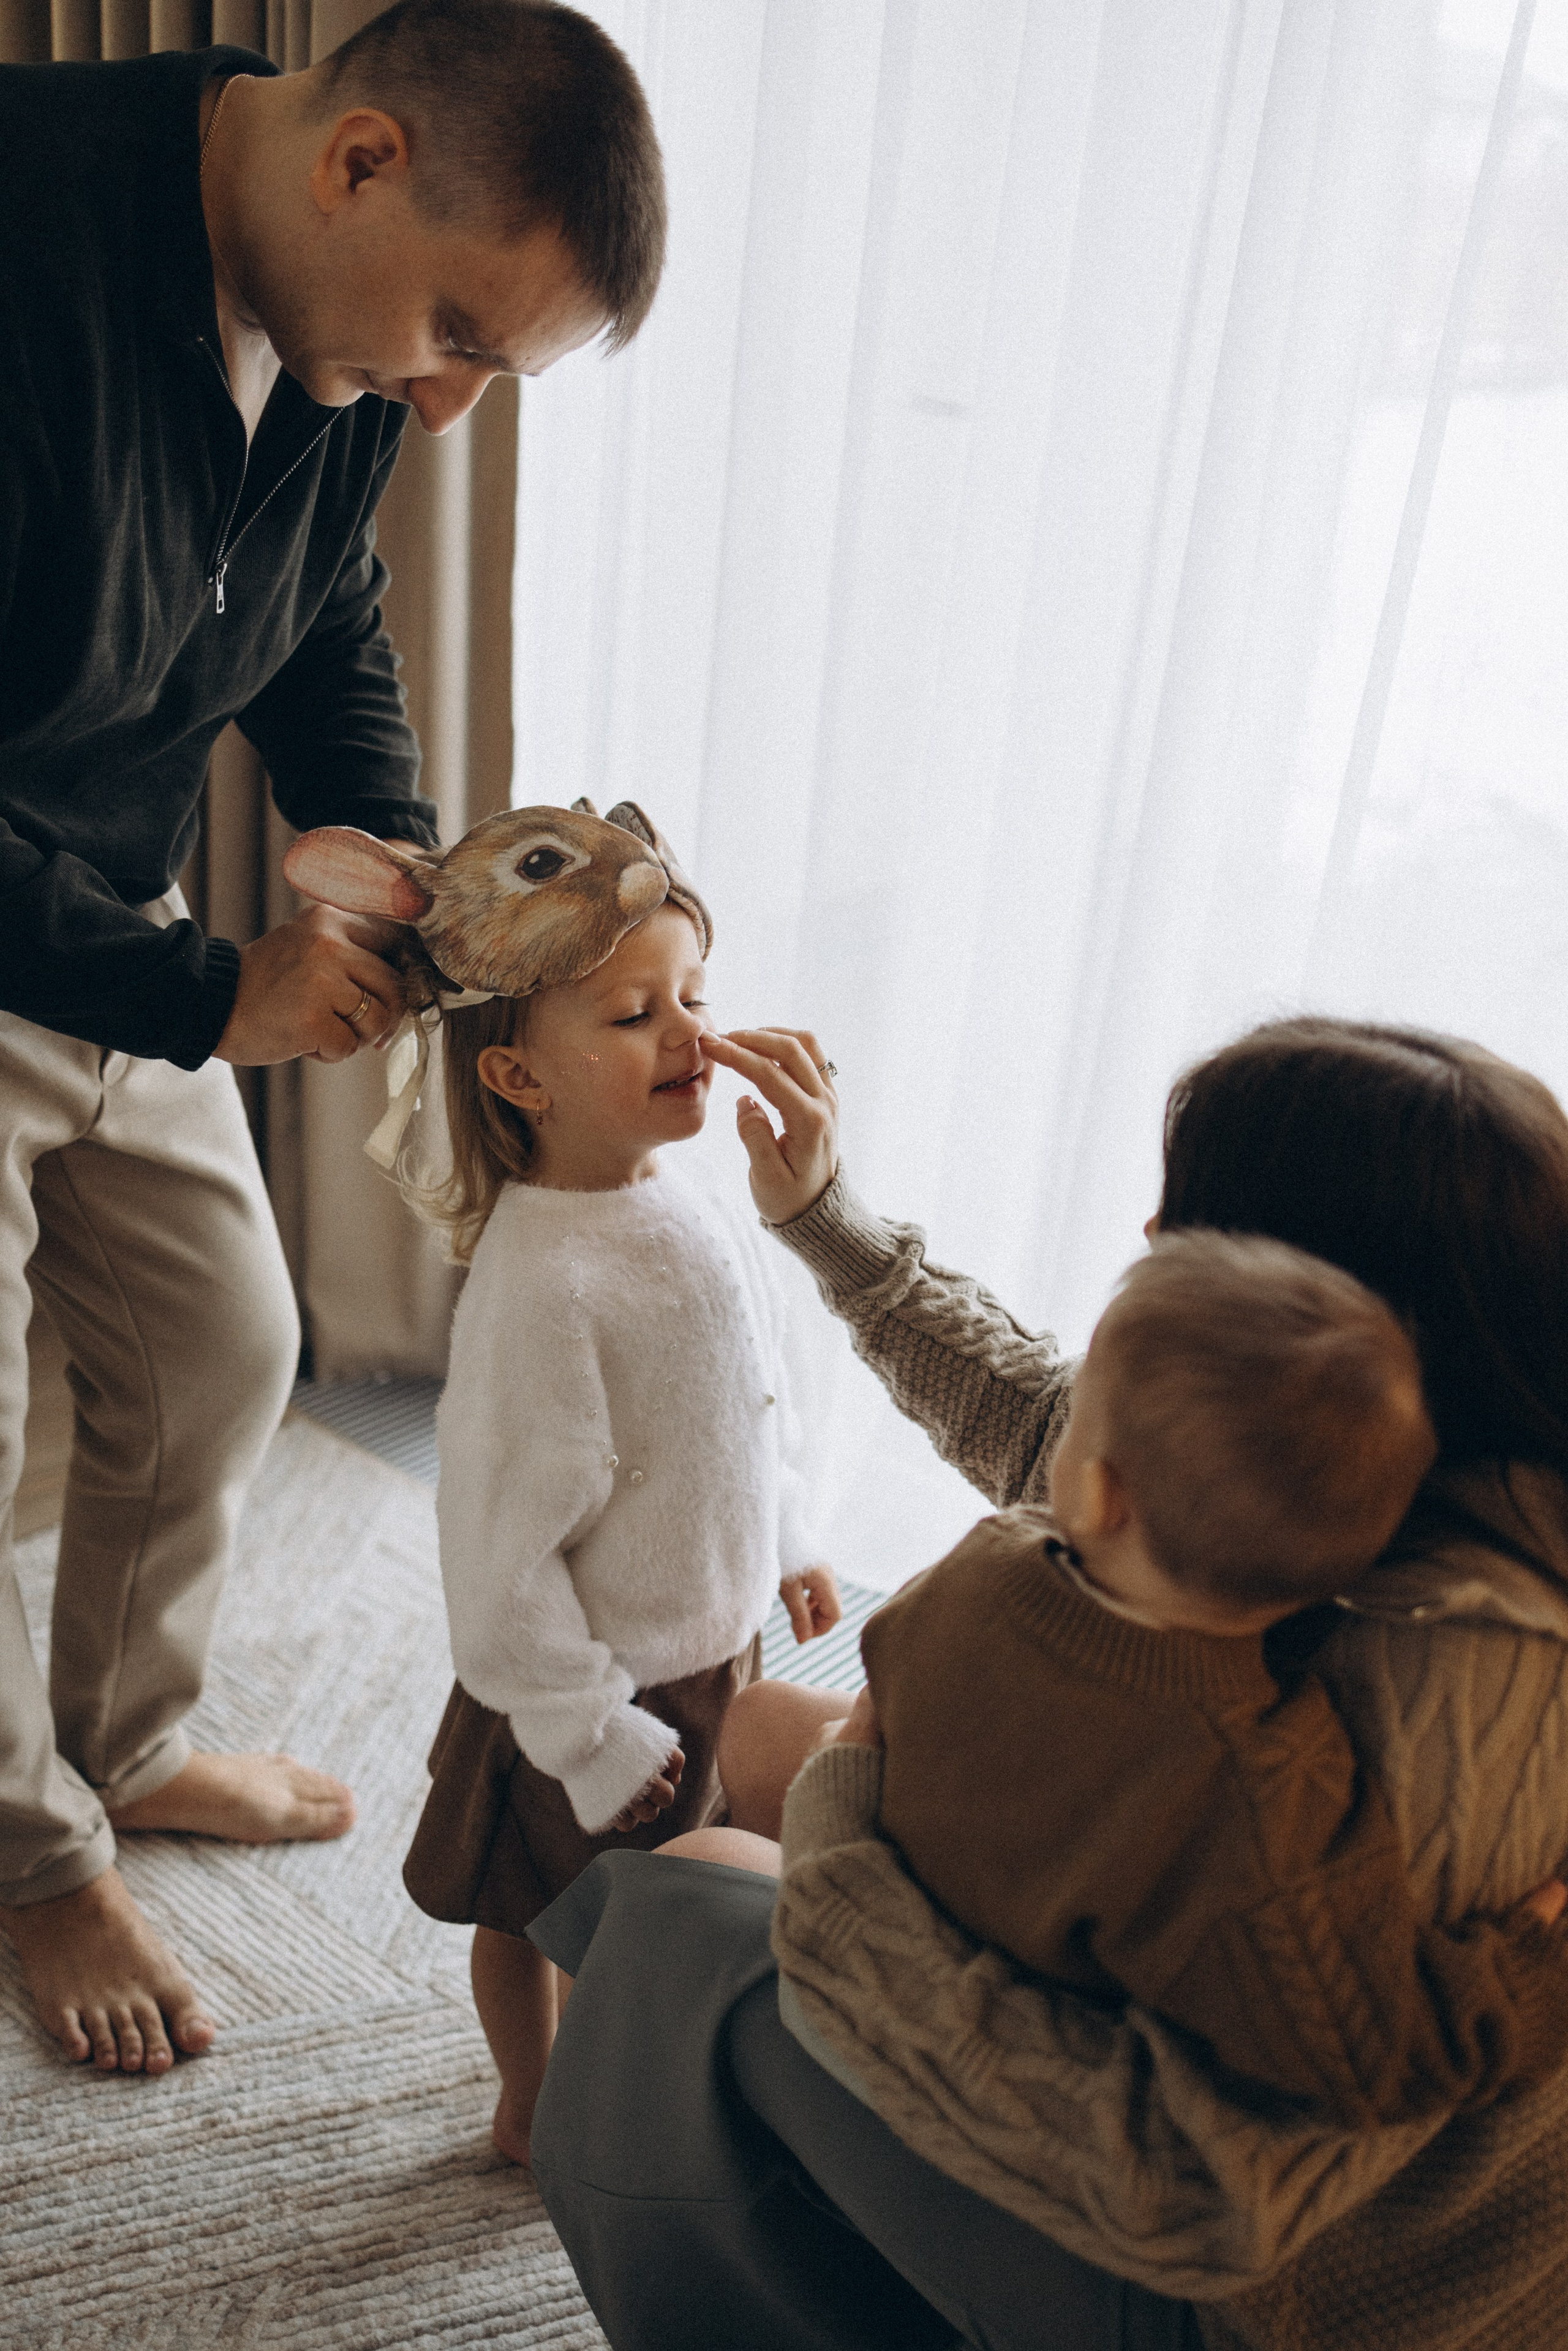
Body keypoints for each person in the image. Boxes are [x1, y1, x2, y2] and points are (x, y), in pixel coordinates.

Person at [522, 1017, 1568, 2351]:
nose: (1146, 1229)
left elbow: (1192, 2195)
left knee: (682, 1911)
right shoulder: (1383, 1453)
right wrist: (829, 1225)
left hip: (1279, 2299)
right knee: (759, 1730)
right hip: (1240, 1992)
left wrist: (845, 1854)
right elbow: (1062, 1431)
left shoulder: (1464, 1687)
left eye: (1186, 1222)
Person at [0, 0, 665, 2080]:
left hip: (107, 916)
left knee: (226, 1343)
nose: (446, 407)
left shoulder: (338, 338)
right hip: (72, 934)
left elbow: (325, 608)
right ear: (359, 158)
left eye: (493, 369)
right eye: (456, 332)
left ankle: (123, 1735)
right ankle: (25, 1853)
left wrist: (375, 831)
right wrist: (214, 994)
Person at [835, 1232, 1568, 2127]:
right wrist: (1525, 1978)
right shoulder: (1266, 1784)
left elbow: (882, 1678)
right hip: (1005, 2045)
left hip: (892, 1954)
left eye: (1078, 1407)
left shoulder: (982, 1565)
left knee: (758, 1728)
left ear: (1097, 1494)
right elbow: (1379, 2054)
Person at [383, 805, 841, 2164]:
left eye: (693, 994)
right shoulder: (543, 1281)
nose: (689, 1033)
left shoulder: (691, 1203)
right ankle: (535, 2101)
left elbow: (741, 1411)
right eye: (636, 1014)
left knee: (646, 1921)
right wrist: (585, 1729)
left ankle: (601, 2093)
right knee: (534, 1912)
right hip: (579, 1686)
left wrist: (786, 1536)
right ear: (519, 1076)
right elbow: (497, 1549)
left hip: (703, 1645)